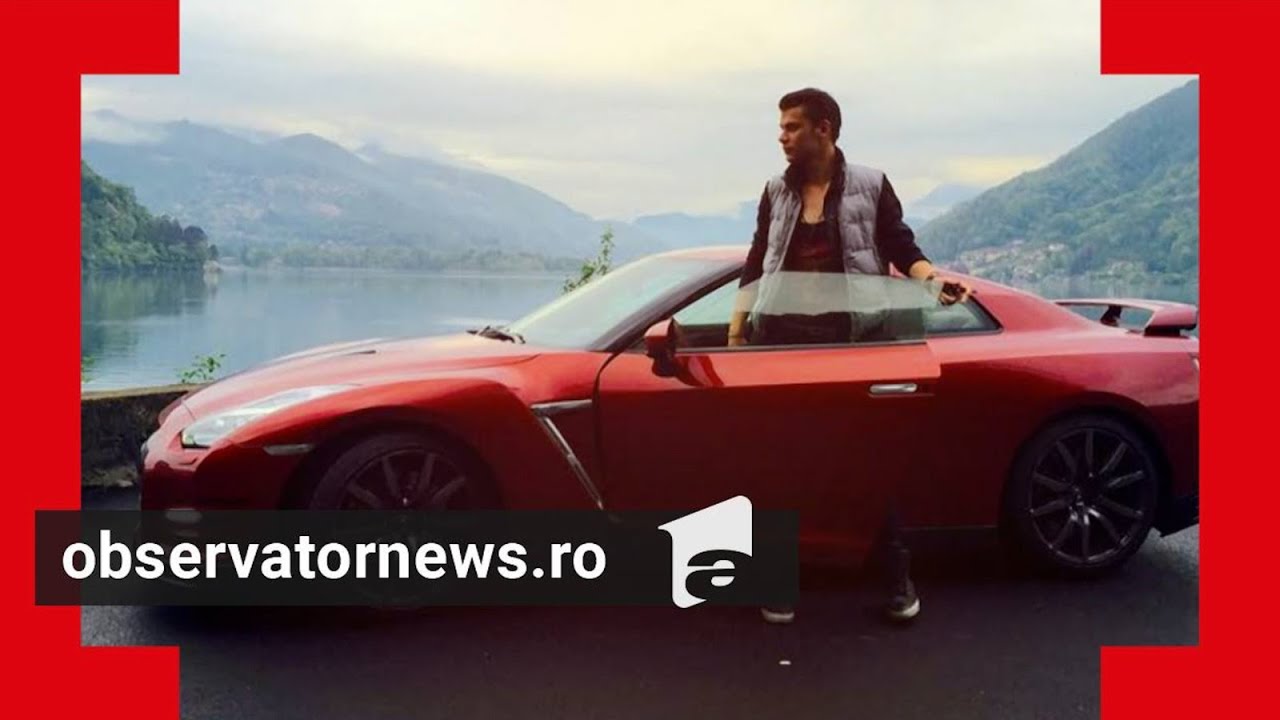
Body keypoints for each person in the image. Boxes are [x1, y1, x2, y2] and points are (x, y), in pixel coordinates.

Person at [728, 88, 972, 625]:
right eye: (781, 127)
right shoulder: (775, 190)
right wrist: (738, 330)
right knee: (784, 467)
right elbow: (757, 259)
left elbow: (901, 246)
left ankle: (896, 579)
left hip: (852, 346)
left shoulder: (871, 184)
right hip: (783, 345)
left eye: (792, 127)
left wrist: (933, 281)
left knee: (865, 464)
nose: (781, 137)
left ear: (825, 128)